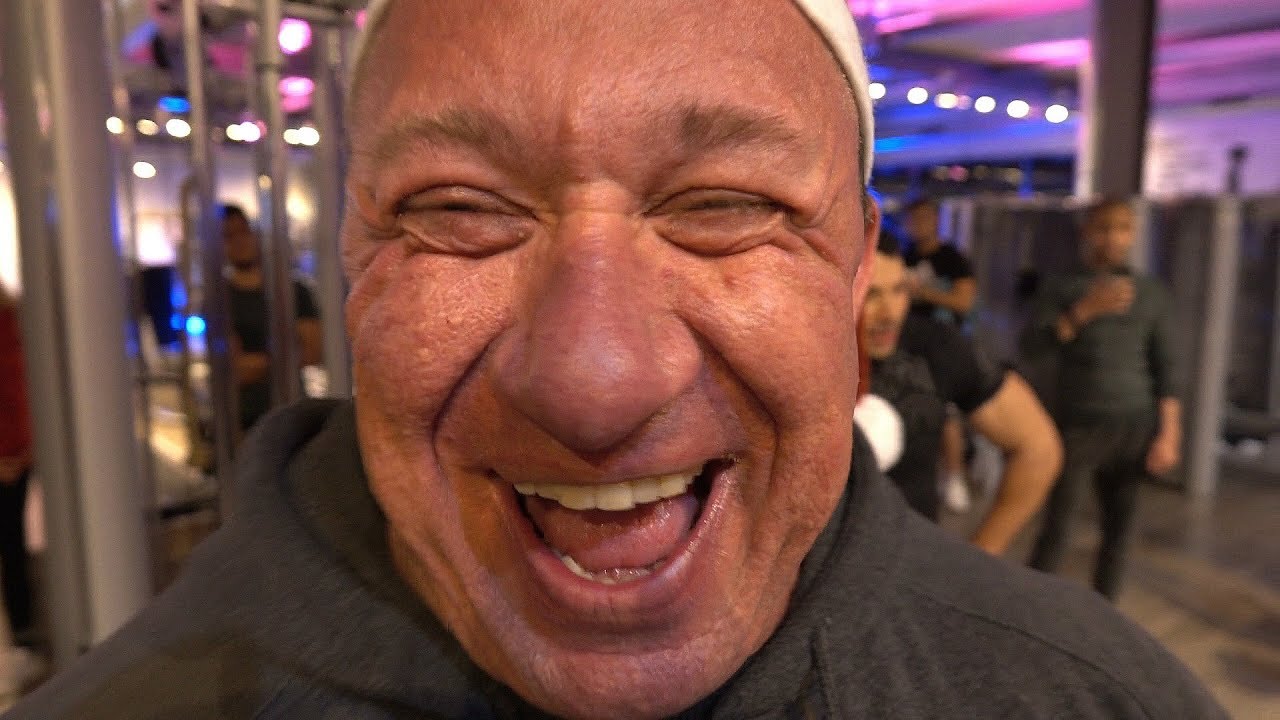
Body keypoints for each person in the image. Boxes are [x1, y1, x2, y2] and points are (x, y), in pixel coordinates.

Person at [12, 2, 1222, 718]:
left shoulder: (1089, 699)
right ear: (355, 259)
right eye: (459, 209)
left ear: (856, 273)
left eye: (726, 205)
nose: (593, 382)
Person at [862, 235, 1062, 555]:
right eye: (869, 294)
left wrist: (980, 558)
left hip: (911, 566)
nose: (890, 313)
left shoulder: (935, 347)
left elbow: (1038, 448)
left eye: (899, 290)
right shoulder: (798, 355)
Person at [1026, 198, 1182, 600]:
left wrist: (1169, 434)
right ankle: (1032, 610)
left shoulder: (1150, 293)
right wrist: (1083, 312)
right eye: (1104, 228)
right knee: (1057, 527)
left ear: (1133, 234)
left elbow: (1166, 367)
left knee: (1119, 531)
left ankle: (1105, 613)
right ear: (1087, 232)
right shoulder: (1062, 287)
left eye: (1123, 228)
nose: (1113, 237)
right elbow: (1033, 349)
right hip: (1079, 423)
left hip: (1135, 424)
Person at [900, 199, 978, 513]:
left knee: (946, 413)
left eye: (923, 218)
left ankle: (955, 476)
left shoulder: (952, 259)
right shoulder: (905, 256)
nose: (917, 224)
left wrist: (920, 292)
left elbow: (964, 302)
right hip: (907, 344)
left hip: (944, 345)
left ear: (935, 220)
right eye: (912, 218)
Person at [221, 204, 323, 432]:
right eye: (228, 236)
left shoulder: (294, 290)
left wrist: (256, 363)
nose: (239, 241)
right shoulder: (221, 300)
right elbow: (236, 369)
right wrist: (285, 357)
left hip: (296, 414)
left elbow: (314, 352)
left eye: (243, 231)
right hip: (245, 420)